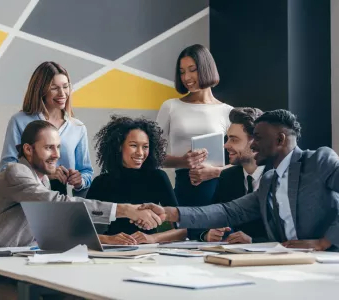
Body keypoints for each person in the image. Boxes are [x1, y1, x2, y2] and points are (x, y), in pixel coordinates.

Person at [0, 120, 164, 300]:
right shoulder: (16, 173)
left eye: (58, 147)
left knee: (79, 292)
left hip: (20, 271)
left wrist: (108, 240)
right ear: (28, 149)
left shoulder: (41, 182)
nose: (56, 155)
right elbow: (58, 202)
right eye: (49, 148)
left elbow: (57, 234)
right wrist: (125, 209)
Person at [141, 109, 339, 251]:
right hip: (289, 259)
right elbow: (229, 211)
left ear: (280, 140)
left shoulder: (319, 160)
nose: (254, 144)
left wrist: (324, 242)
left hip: (328, 260)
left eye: (259, 138)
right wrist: (169, 213)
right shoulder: (270, 180)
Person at [86, 116, 187, 244]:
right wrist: (108, 239)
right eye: (133, 145)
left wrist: (152, 238)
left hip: (150, 251)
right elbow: (79, 231)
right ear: (119, 147)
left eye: (145, 147)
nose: (140, 153)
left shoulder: (158, 178)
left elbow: (183, 231)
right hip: (111, 250)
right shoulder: (101, 182)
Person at [156, 44, 233, 207]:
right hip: (185, 189)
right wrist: (183, 162)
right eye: (182, 71)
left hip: (220, 192)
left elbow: (245, 161)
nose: (187, 77)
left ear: (206, 68)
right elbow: (153, 156)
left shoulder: (227, 112)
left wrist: (217, 172)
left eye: (192, 69)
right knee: (186, 231)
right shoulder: (170, 106)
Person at [0, 61, 92, 196]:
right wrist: (45, 173)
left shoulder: (77, 128)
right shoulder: (19, 121)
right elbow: (6, 169)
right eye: (54, 88)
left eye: (65, 87)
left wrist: (80, 180)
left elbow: (86, 172)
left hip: (62, 201)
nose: (62, 94)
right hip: (27, 198)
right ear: (41, 90)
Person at [201, 107, 268, 244]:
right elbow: (210, 217)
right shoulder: (228, 177)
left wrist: (253, 241)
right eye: (228, 139)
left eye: (234, 140)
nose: (226, 145)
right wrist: (208, 233)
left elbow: (291, 233)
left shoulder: (279, 176)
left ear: (256, 142)